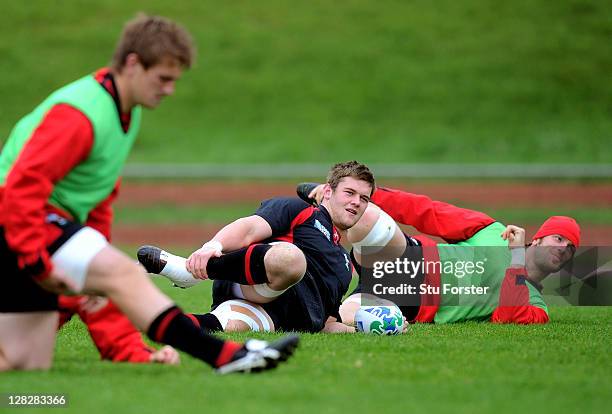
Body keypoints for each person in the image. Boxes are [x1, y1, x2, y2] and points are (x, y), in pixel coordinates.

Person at [0, 14, 297, 373]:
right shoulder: (80, 114)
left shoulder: (125, 111)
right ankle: (227, 357)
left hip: (35, 225)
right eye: (163, 78)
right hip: (19, 222)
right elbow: (18, 191)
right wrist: (36, 260)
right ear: (132, 64)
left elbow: (99, 198)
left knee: (23, 365)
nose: (170, 89)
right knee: (125, 274)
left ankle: (202, 355)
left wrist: (93, 254)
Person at [137, 161, 376, 334]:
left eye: (364, 199)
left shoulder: (345, 265)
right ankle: (191, 272)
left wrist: (371, 327)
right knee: (292, 259)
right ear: (327, 192)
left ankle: (145, 323)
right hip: (251, 281)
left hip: (278, 317)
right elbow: (249, 228)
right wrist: (213, 246)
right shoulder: (302, 211)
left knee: (229, 325)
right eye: (349, 193)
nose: (356, 202)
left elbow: (326, 323)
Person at [298, 183, 580, 325]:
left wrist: (516, 259)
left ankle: (288, 298)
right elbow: (427, 212)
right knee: (368, 216)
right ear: (540, 238)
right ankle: (326, 200)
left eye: (570, 248)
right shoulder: (493, 231)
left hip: (416, 302)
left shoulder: (537, 306)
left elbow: (507, 316)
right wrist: (366, 193)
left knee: (343, 318)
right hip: (413, 260)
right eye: (558, 239)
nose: (562, 248)